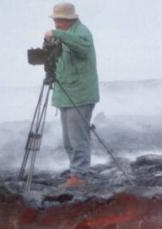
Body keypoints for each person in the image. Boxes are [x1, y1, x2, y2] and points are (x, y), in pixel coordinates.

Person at [44, 3, 99, 188]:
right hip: (65, 95)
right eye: (55, 20)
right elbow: (60, 65)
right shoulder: (63, 36)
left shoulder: (82, 32)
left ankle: (80, 176)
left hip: (81, 95)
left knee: (78, 138)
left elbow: (82, 49)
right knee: (68, 140)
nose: (56, 24)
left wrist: (58, 35)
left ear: (69, 19)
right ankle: (75, 174)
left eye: (59, 20)